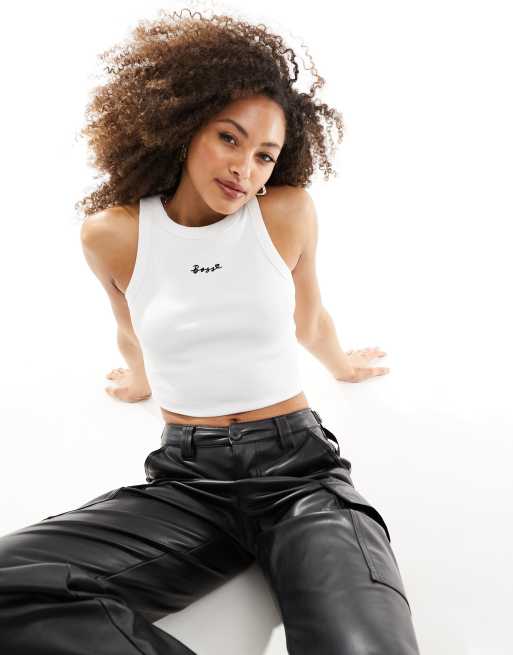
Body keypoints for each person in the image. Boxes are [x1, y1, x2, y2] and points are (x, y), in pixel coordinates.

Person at [0, 8, 421, 654]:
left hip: (301, 475)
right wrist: (137, 379)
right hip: (188, 482)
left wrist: (341, 364)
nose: (244, 169)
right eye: (229, 138)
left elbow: (308, 317)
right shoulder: (113, 235)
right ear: (184, 125)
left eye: (264, 155)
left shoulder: (285, 215)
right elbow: (133, 326)